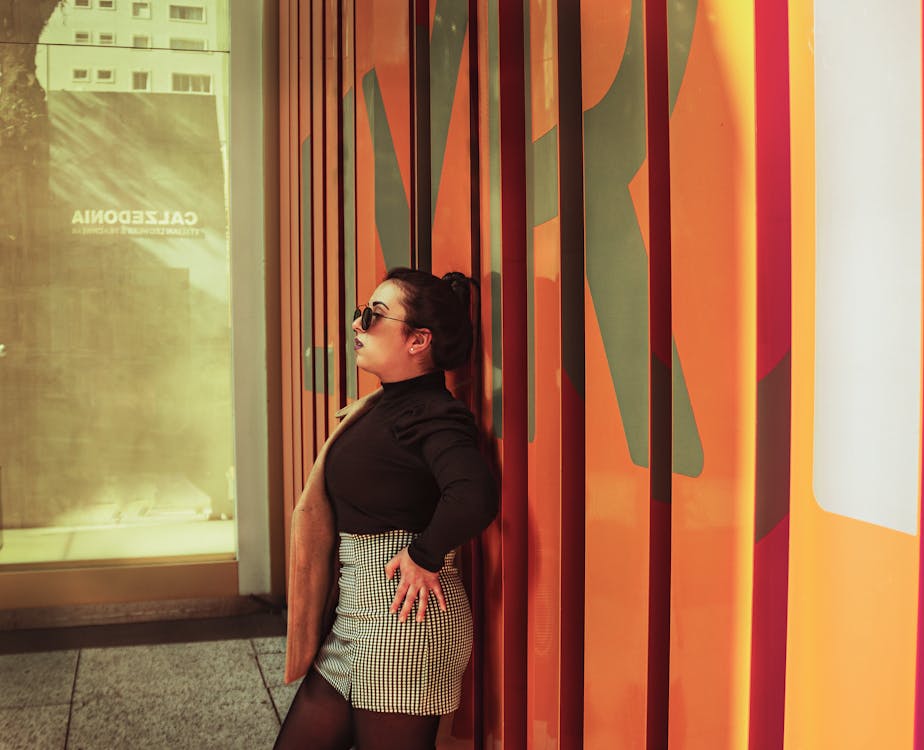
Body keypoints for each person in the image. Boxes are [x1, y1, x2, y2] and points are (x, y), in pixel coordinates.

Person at [274, 267, 499, 750]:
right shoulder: (384, 405)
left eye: (374, 316)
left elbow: (473, 492)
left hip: (406, 624)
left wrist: (425, 554)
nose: (357, 324)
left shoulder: (434, 413)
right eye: (361, 313)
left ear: (419, 340)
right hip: (357, 616)